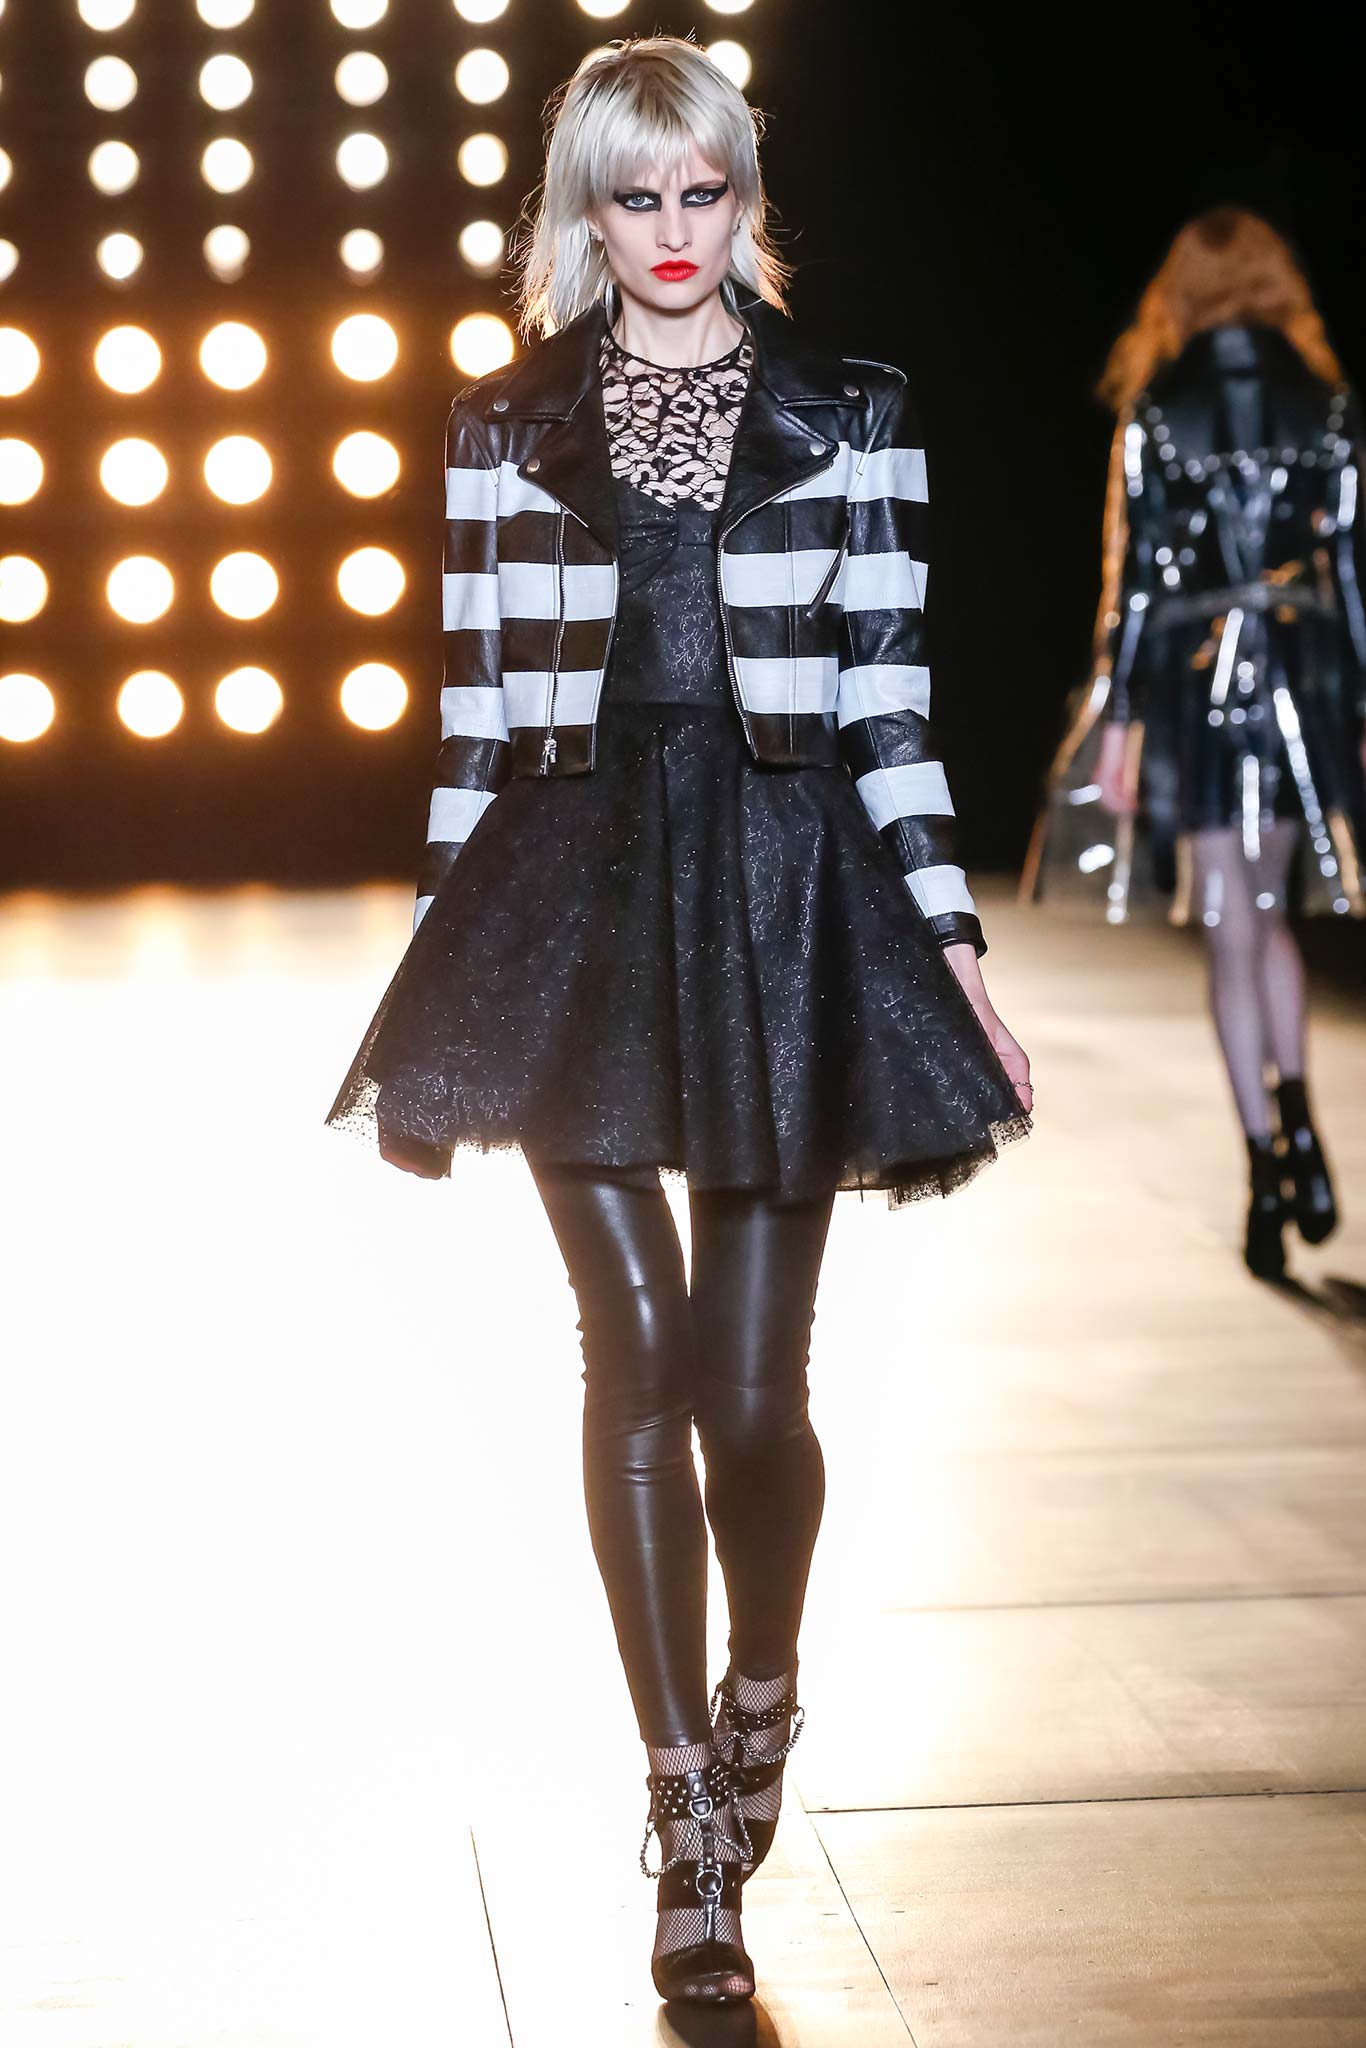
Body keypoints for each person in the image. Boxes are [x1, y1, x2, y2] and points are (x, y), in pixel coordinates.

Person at [326, 36, 1032, 2004]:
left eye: (698, 190)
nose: (666, 228)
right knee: (624, 1351)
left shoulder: (851, 408)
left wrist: (953, 942)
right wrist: (434, 971)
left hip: (788, 892)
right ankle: (681, 1813)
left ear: (742, 196)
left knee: (747, 1386)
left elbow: (887, 693)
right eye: (630, 195)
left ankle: (762, 1680)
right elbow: (476, 714)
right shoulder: (501, 422)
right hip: (569, 894)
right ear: (585, 209)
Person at [1022, 209, 1365, 1281]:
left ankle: (1264, 1164)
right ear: (1274, 283)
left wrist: (1116, 720)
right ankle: (1298, 1119)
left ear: (1181, 291)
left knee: (1229, 924)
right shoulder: (1325, 402)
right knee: (1269, 914)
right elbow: (1351, 571)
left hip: (1198, 684)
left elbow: (1133, 584)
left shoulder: (1159, 408)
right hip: (1301, 673)